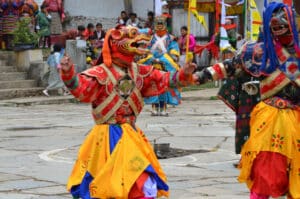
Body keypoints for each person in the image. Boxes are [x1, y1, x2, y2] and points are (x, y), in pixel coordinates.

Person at [59, 25, 196, 199]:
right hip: (107, 136)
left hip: (131, 135)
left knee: (139, 181)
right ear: (115, 42)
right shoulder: (100, 73)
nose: (139, 40)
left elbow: (165, 79)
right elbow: (81, 89)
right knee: (105, 184)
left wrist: (183, 74)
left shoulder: (140, 71)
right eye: (131, 36)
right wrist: (68, 73)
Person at [196, 2, 300, 198]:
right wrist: (200, 76)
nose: (278, 25)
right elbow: (229, 67)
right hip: (270, 119)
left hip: (296, 118)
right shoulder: (258, 51)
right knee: (265, 170)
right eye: (274, 22)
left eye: (284, 20)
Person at [138, 16, 181, 116]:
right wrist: (152, 59)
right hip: (152, 66)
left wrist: (162, 60)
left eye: (162, 24)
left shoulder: (171, 39)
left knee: (164, 87)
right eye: (158, 24)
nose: (160, 26)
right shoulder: (150, 38)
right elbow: (145, 51)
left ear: (165, 25)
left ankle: (163, 108)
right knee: (153, 87)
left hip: (165, 66)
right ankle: (154, 107)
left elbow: (174, 53)